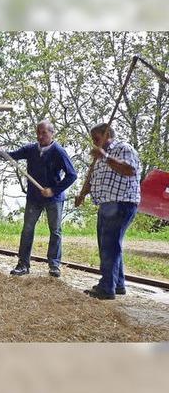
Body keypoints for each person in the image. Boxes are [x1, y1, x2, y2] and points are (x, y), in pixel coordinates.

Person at [0, 120, 77, 277]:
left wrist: (53, 190)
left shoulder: (59, 152)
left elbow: (72, 175)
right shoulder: (30, 149)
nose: (40, 136)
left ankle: (54, 265)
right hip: (34, 197)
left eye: (44, 132)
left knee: (55, 230)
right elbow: (11, 156)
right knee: (27, 229)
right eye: (38, 132)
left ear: (52, 133)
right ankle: (23, 264)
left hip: (54, 199)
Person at [75, 123, 140, 300]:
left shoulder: (123, 148)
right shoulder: (98, 157)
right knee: (109, 245)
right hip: (106, 204)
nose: (95, 143)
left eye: (97, 139)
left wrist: (104, 156)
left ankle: (106, 287)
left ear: (107, 134)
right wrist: (82, 194)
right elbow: (92, 178)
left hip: (122, 203)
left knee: (109, 246)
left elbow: (129, 169)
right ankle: (117, 284)